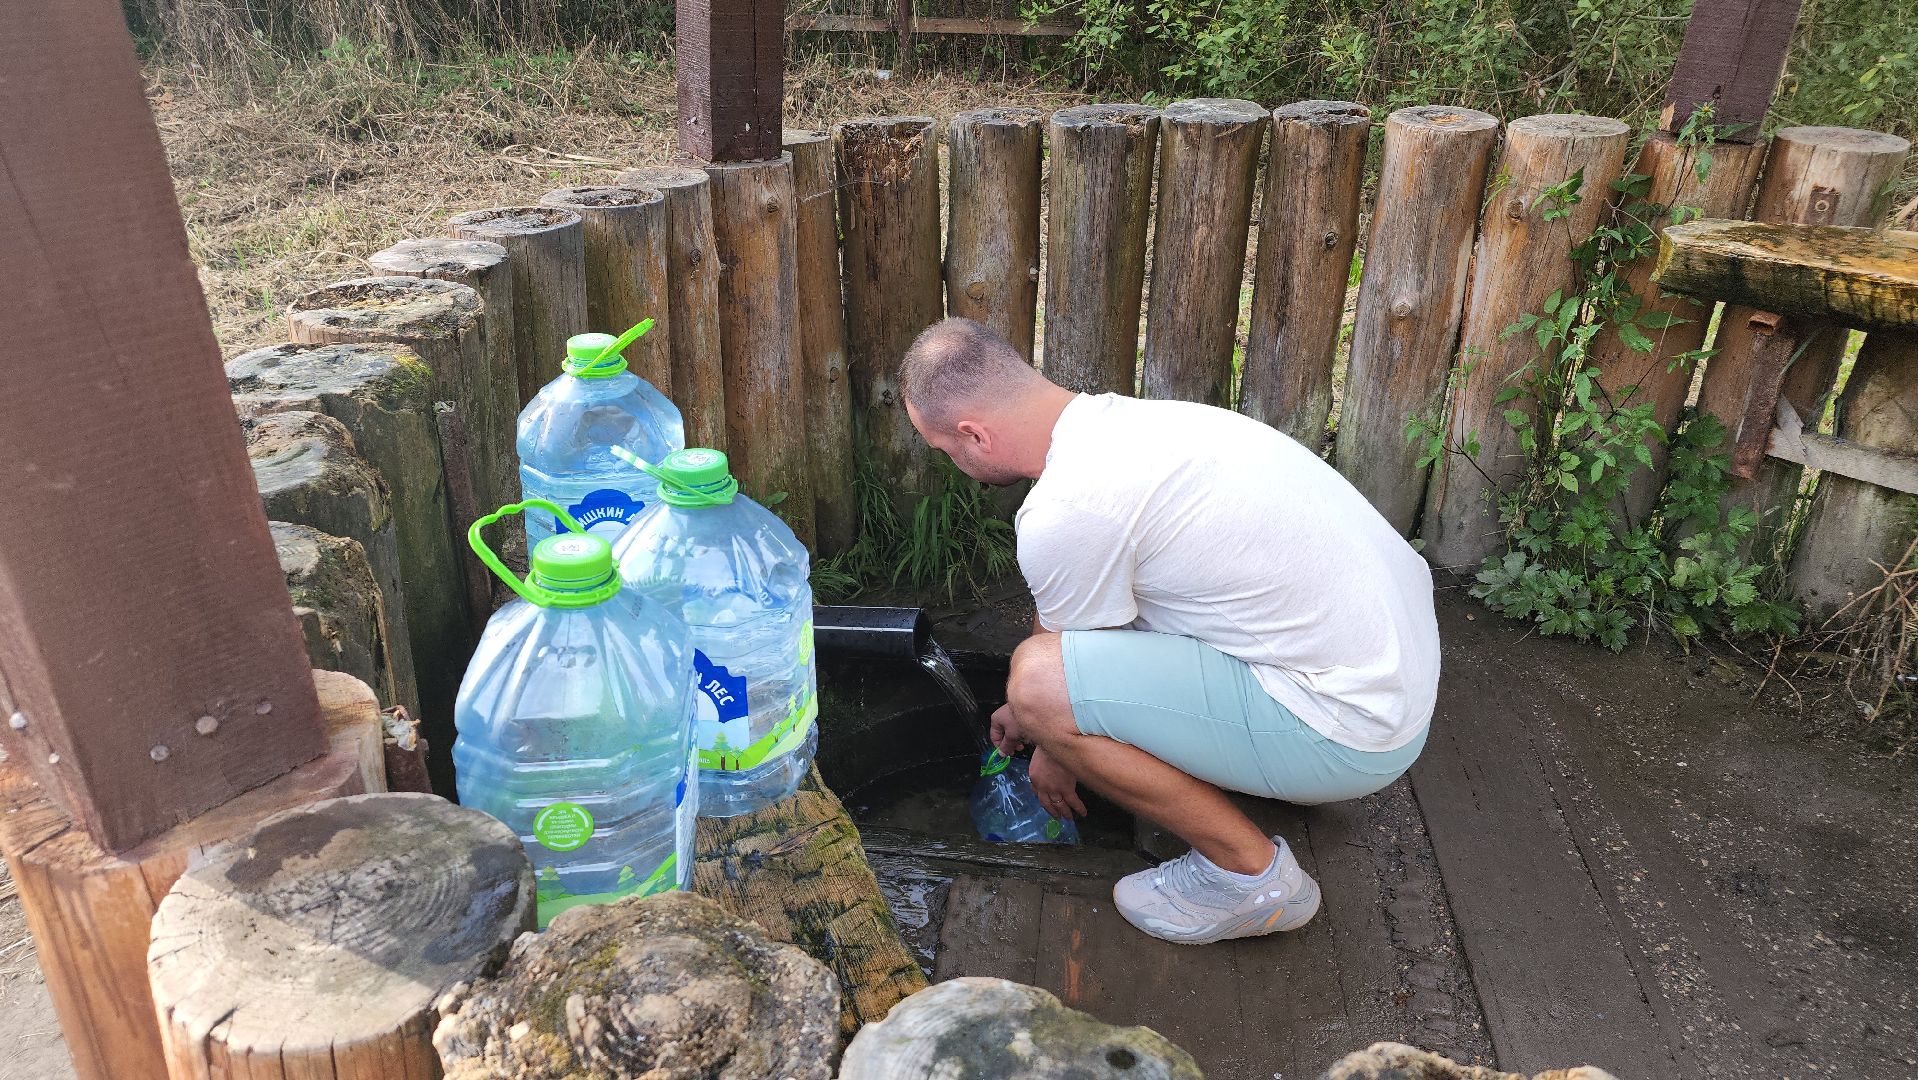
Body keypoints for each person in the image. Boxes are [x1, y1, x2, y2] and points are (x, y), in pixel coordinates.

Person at [900, 317, 1440, 945]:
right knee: (1049, 685)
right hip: (1397, 674)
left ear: (974, 434)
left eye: (944, 450)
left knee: (1037, 685)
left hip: (1355, 733)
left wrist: (1051, 748)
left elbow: (1055, 662)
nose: (952, 463)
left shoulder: (1066, 510)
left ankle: (1252, 877)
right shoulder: (1138, 423)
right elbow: (1092, 630)